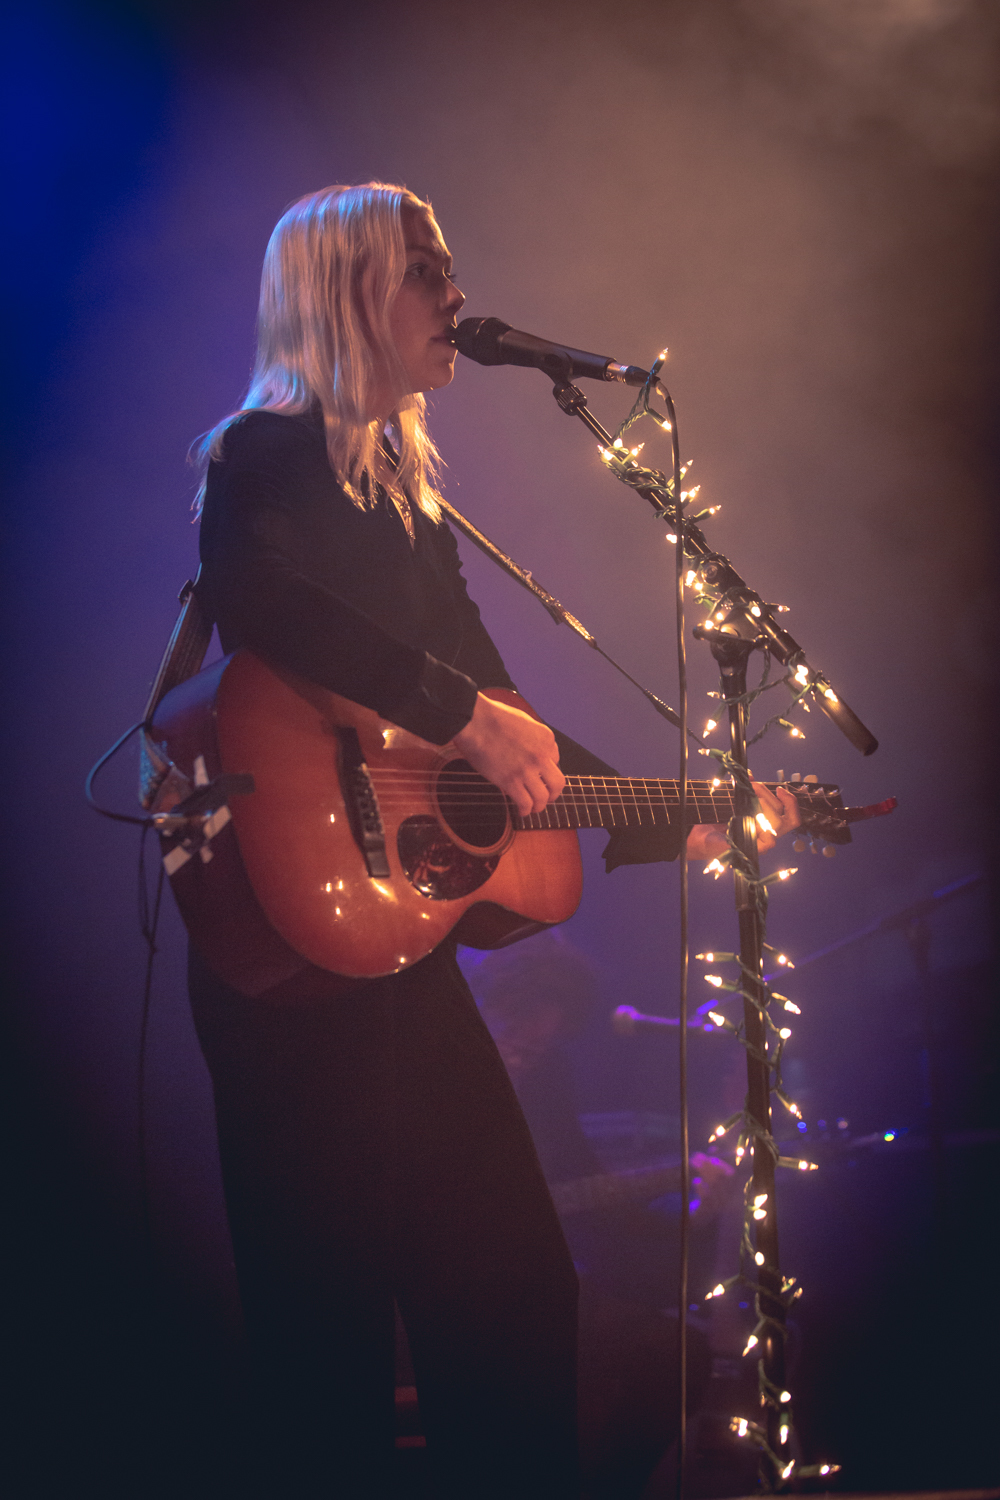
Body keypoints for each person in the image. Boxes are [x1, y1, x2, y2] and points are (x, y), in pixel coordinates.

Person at [188, 182, 800, 1498]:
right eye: (424, 271)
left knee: (515, 1300)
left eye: (450, 269)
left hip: (404, 971)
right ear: (349, 292)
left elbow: (514, 746)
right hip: (292, 967)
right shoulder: (263, 455)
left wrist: (679, 818)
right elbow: (266, 599)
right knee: (324, 1351)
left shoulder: (409, 494)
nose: (455, 297)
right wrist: (453, 713)